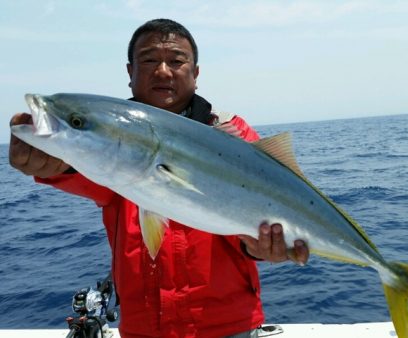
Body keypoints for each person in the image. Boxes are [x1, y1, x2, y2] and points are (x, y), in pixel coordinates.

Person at [9, 19, 309, 338]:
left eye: (177, 61)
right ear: (130, 72)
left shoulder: (233, 134)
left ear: (195, 72)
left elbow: (252, 219)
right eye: (150, 60)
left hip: (227, 325)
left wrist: (259, 246)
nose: (163, 71)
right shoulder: (111, 139)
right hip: (144, 328)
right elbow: (81, 171)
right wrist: (50, 162)